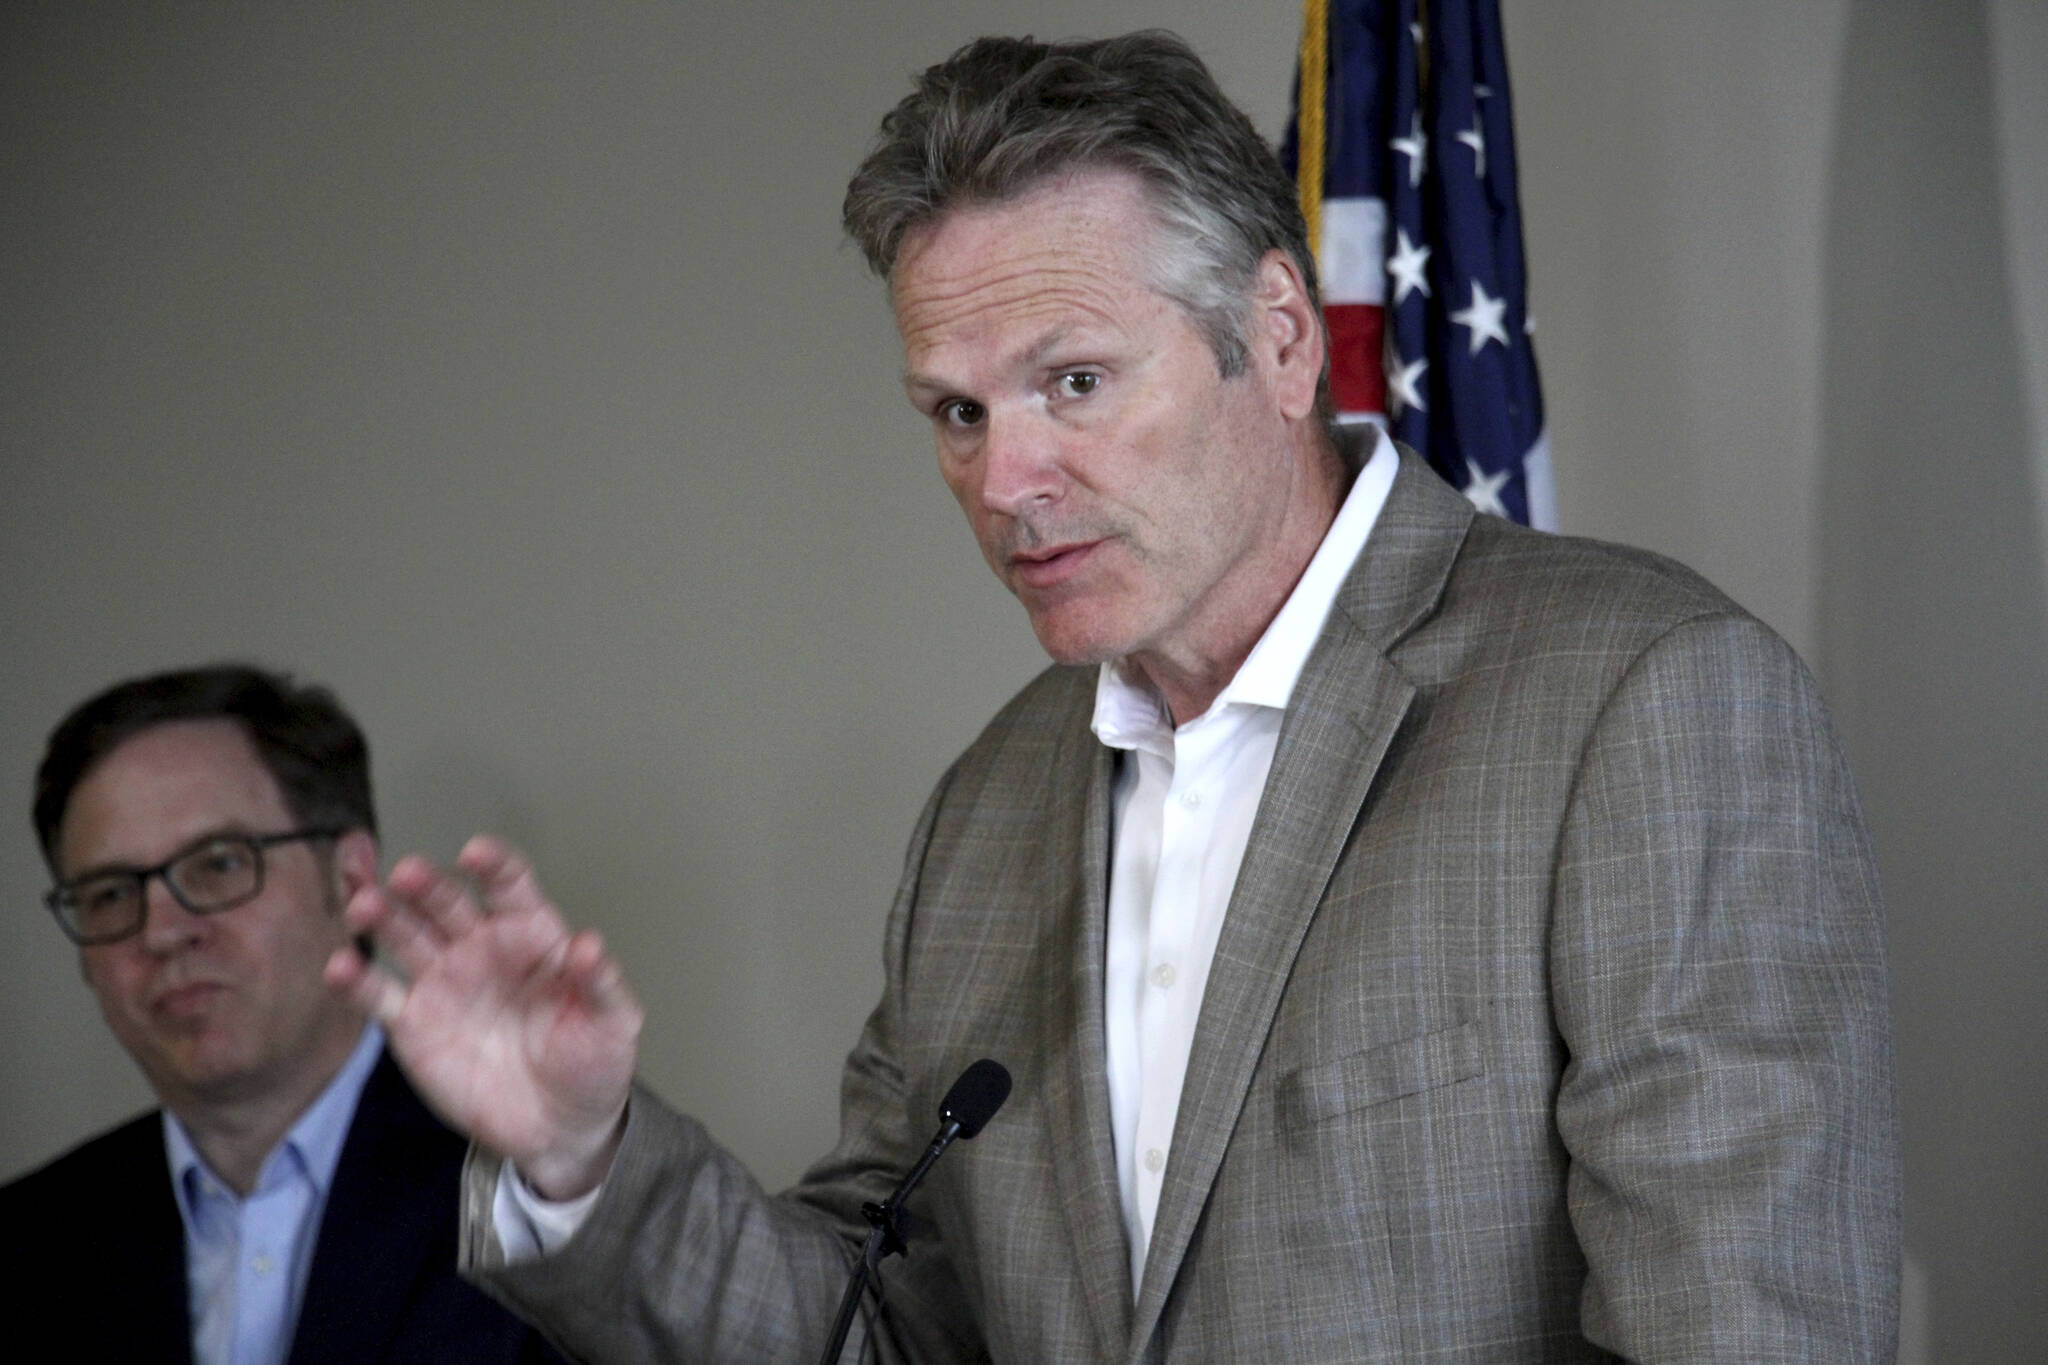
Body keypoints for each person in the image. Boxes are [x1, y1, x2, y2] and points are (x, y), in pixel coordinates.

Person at [329, 31, 1900, 1362]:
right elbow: (867, 1332)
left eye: (1073, 382)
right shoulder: (984, 817)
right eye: (956, 410)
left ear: (1278, 338)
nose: (1005, 479)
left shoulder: (1645, 705)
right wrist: (578, 1154)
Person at [2, 665, 565, 1365]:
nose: (162, 931)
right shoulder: (26, 1243)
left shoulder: (548, 1198)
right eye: (112, 893)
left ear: (351, 877)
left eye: (218, 863)